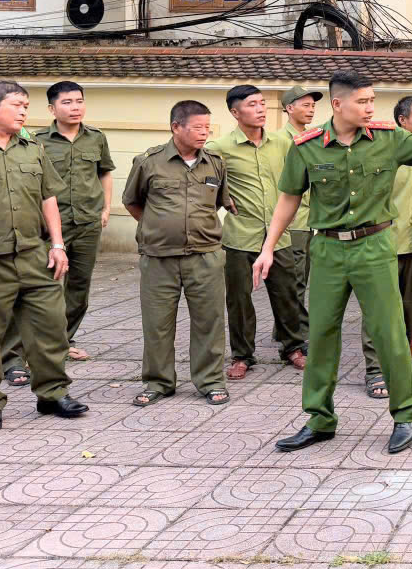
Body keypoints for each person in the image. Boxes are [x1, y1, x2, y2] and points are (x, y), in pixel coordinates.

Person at [252, 71, 412, 454]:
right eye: (363, 101)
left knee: (389, 332)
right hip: (326, 250)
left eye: (373, 100)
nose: (371, 107)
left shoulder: (388, 139)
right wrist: (268, 247)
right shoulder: (307, 146)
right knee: (322, 335)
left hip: (373, 247)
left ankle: (406, 412)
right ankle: (320, 419)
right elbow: (289, 198)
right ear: (338, 104)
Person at [2, 81, 114, 385]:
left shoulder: (96, 138)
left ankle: (63, 342)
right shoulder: (35, 141)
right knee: (31, 293)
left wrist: (105, 208)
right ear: (52, 109)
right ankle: (16, 355)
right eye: (67, 102)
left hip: (87, 223)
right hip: (45, 230)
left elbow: (104, 172)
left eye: (79, 101)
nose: (75, 107)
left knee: (79, 288)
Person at [123, 101, 232, 407]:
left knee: (209, 321)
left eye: (207, 128)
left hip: (205, 256)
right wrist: (158, 227)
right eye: (198, 127)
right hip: (159, 258)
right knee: (157, 323)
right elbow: (133, 202)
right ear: (176, 127)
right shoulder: (149, 162)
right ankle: (158, 382)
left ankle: (210, 380)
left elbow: (218, 203)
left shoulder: (215, 164)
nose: (204, 133)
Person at [0, 81, 88, 429]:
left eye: (26, 105)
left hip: (35, 254)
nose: (23, 111)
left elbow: (48, 197)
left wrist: (58, 244)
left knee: (50, 327)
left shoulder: (32, 148)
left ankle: (52, 395)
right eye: (17, 104)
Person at [208, 85, 307, 379]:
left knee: (287, 294)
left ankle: (293, 348)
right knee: (239, 299)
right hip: (241, 235)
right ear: (235, 112)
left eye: (263, 103)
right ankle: (242, 355)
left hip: (278, 236)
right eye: (252, 104)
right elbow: (204, 181)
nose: (261, 109)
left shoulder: (282, 143)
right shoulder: (220, 148)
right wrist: (222, 199)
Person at [361, 96, 412, 398]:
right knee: (379, 309)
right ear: (401, 121)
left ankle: (400, 362)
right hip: (383, 244)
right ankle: (375, 370)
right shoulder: (383, 152)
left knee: (407, 308)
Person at [274, 85, 321, 334]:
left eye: (313, 105)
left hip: (312, 220)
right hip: (294, 222)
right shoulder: (280, 141)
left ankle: (288, 330)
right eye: (305, 105)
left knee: (304, 278)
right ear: (289, 108)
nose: (311, 110)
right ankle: (295, 333)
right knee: (294, 280)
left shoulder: (313, 138)